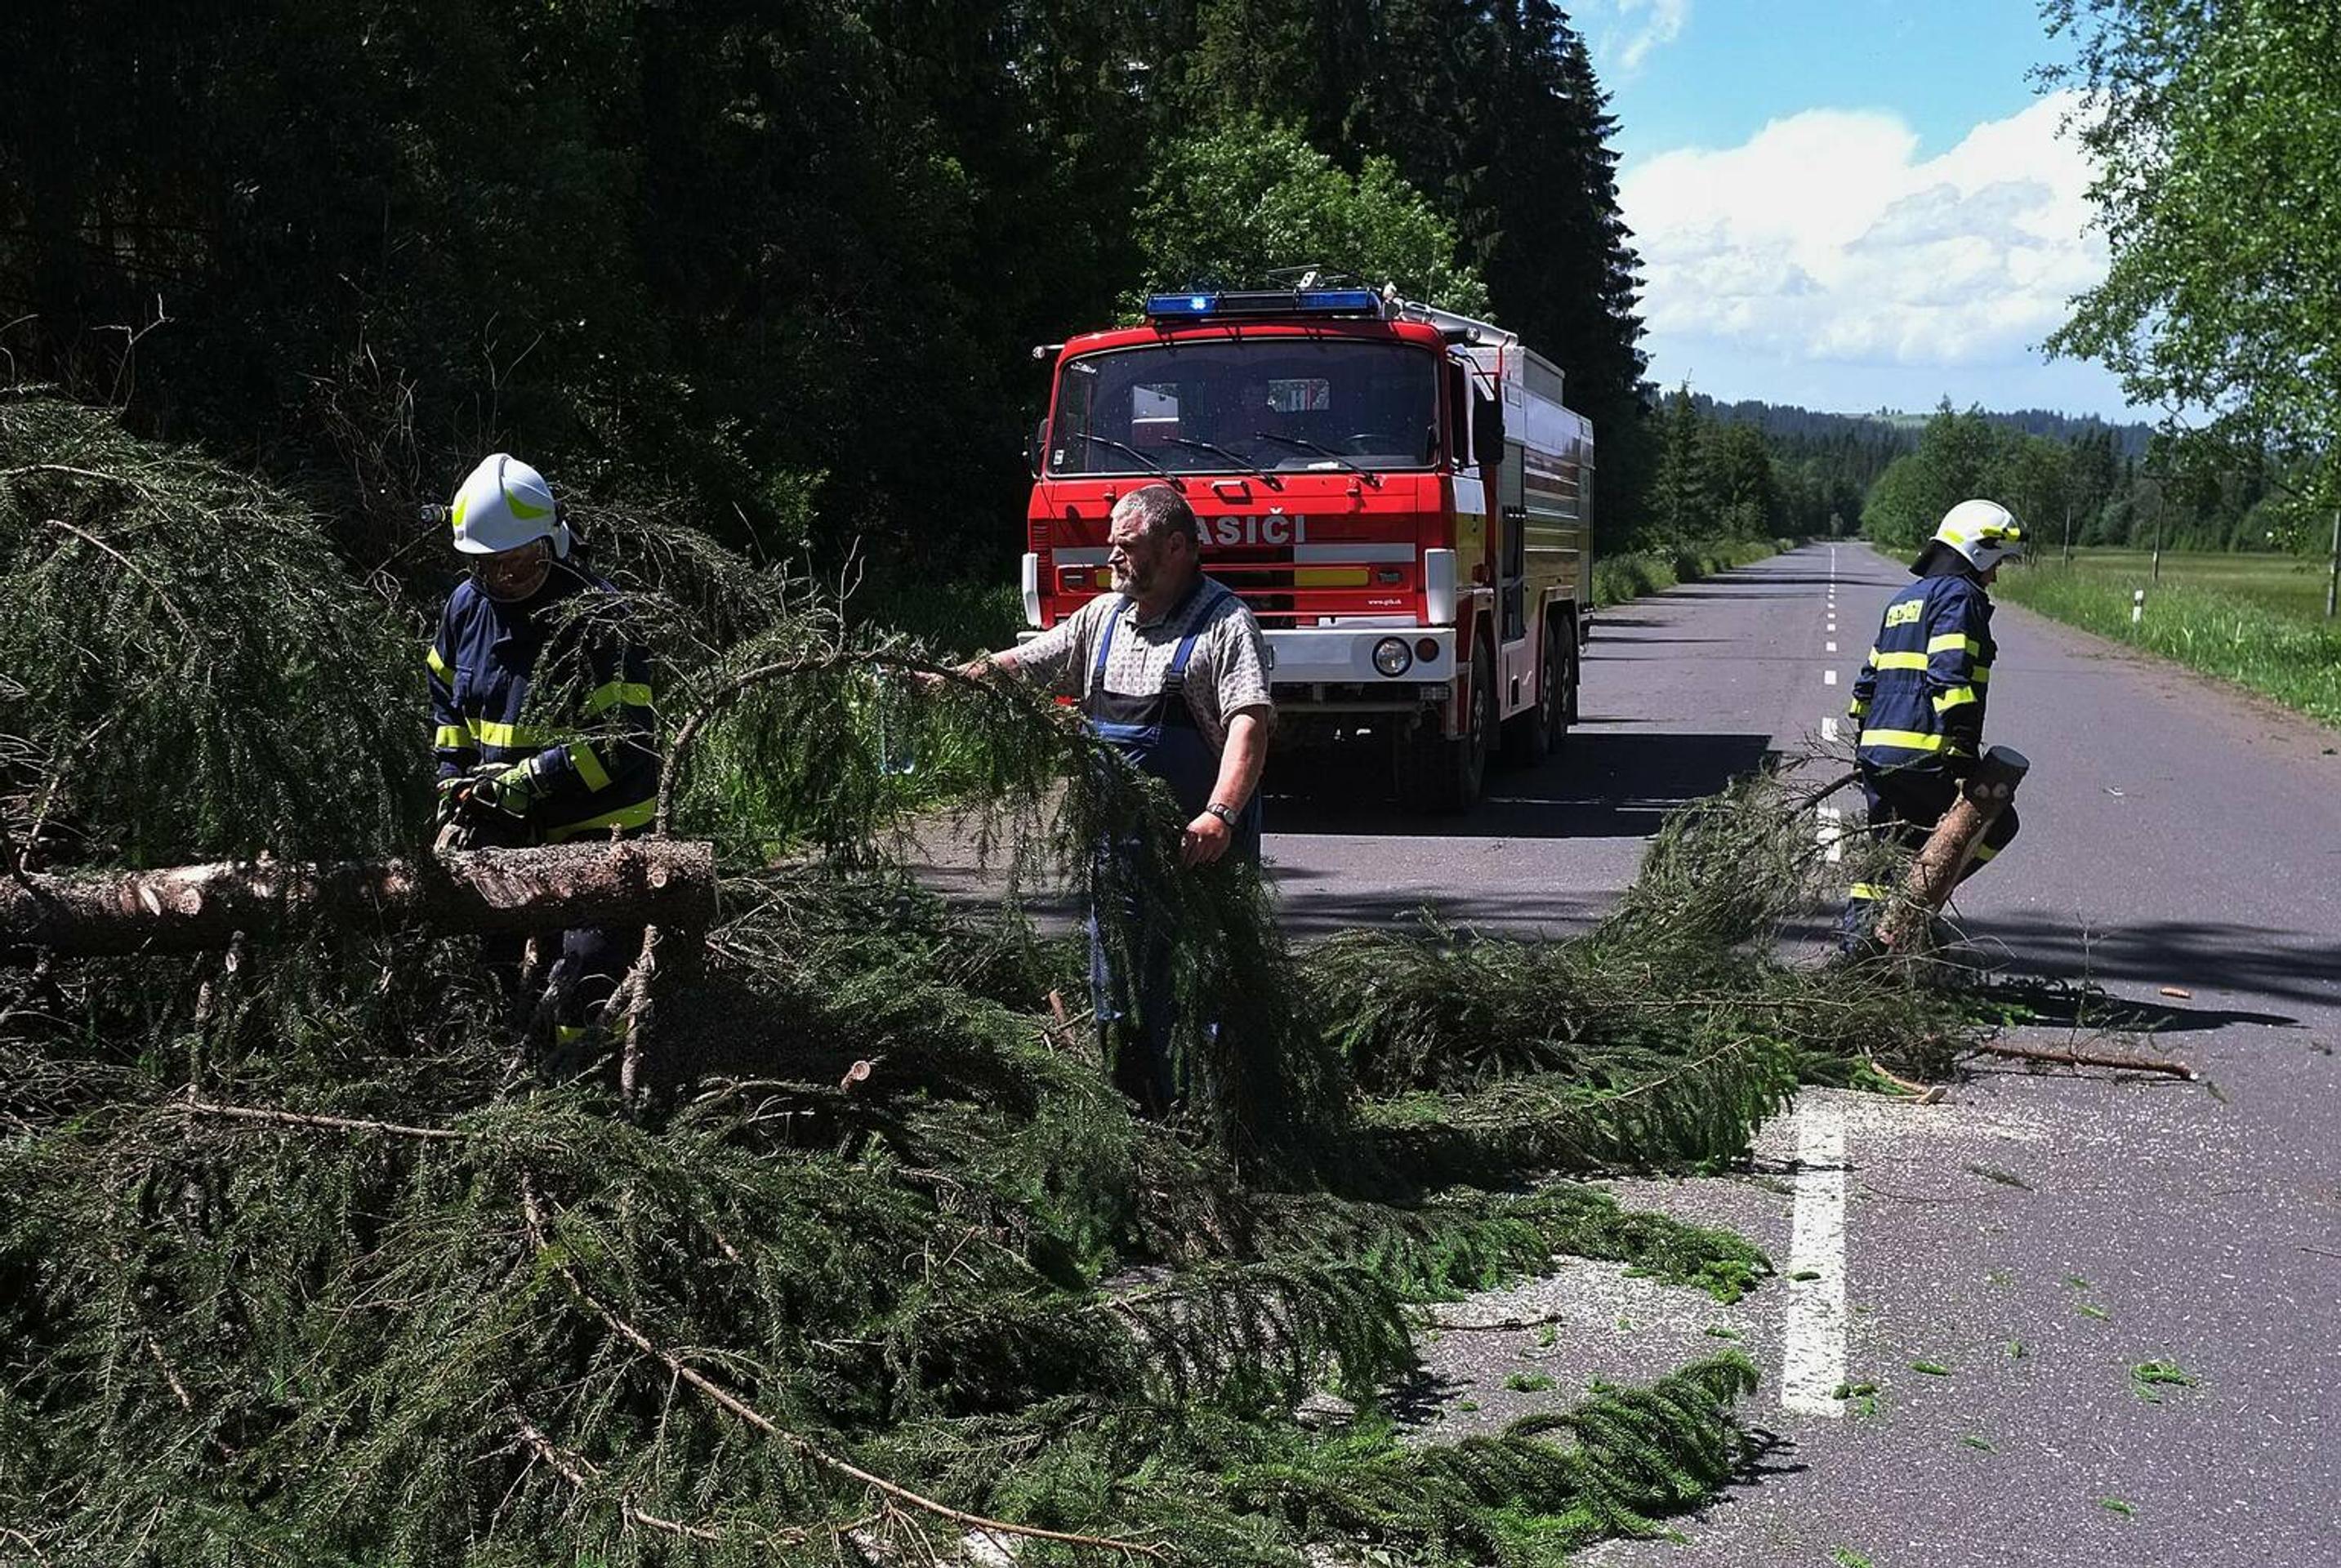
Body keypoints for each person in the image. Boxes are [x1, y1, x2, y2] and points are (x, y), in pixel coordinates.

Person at [957, 483, 1273, 1113]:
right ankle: (1137, 1115)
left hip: (1199, 852)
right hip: (1118, 853)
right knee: (1122, 984)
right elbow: (1027, 661)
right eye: (1113, 546)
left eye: (1127, 547)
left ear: (1177, 546)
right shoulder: (1103, 619)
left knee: (1203, 987)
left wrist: (1220, 814)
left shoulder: (1225, 624)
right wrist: (953, 678)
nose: (1113, 559)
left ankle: (1218, 1119)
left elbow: (1249, 724)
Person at [428, 453, 660, 1053]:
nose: (504, 578)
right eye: (489, 566)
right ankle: (512, 1080)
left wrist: (531, 779)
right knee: (494, 966)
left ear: (551, 543)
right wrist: (451, 779)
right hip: (504, 824)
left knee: (586, 973)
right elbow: (446, 705)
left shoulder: (598, 616)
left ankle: (593, 1094)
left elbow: (626, 738)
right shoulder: (464, 608)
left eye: (519, 563)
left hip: (597, 830)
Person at [1840, 498, 2023, 951]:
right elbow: (1950, 669)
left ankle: (1857, 946)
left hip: (1879, 754)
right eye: (1996, 563)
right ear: (1978, 552)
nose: (1995, 576)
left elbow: (1866, 684)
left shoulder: (1903, 600)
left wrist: (1864, 752)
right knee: (1997, 825)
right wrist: (1962, 746)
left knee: (1888, 849)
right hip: (1927, 751)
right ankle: (1909, 919)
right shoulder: (1961, 598)